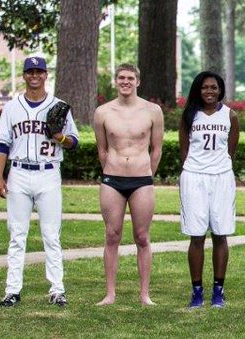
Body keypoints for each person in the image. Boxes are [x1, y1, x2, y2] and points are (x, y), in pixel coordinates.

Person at [0, 56, 78, 307]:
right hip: (18, 172)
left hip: (48, 173)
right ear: (24, 75)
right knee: (17, 234)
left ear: (46, 75)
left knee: (51, 235)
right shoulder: (12, 107)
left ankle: (57, 289)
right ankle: (12, 291)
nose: (35, 75)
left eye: (39, 71)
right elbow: (1, 144)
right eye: (30, 71)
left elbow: (75, 142)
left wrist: (61, 137)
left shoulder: (59, 105)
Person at [92, 63, 163, 306]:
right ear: (115, 81)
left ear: (138, 81)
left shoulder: (152, 111)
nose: (125, 82)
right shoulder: (103, 112)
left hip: (142, 180)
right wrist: (111, 170)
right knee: (112, 235)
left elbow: (157, 149)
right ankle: (110, 294)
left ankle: (145, 294)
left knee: (142, 236)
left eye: (130, 78)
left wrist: (146, 173)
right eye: (121, 77)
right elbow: (102, 149)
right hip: (112, 180)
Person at [178, 71, 239, 309]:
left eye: (214, 87)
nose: (210, 91)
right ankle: (196, 291)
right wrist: (190, 171)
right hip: (194, 177)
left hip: (221, 177)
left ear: (220, 90)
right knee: (196, 235)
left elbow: (230, 151)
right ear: (198, 90)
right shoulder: (189, 116)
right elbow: (184, 152)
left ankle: (218, 291)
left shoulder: (230, 116)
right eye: (205, 87)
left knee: (220, 234)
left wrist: (218, 167)